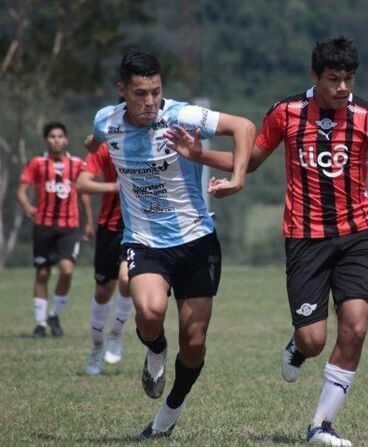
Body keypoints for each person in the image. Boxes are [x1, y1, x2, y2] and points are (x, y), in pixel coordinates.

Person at [166, 36, 368, 446]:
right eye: (334, 79)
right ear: (315, 76)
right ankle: (298, 345)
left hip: (356, 236)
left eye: (348, 79)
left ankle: (320, 427)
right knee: (314, 340)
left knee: (355, 326)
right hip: (305, 240)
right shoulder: (286, 113)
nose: (343, 88)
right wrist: (199, 155)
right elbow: (251, 162)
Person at [85, 48, 255, 439]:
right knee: (149, 309)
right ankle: (156, 350)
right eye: (140, 93)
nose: (149, 102)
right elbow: (95, 136)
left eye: (155, 92)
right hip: (144, 241)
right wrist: (92, 144)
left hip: (197, 241)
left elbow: (244, 127)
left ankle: (168, 415)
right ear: (121, 91)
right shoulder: (106, 120)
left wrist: (239, 178)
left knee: (194, 343)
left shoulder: (180, 115)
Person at [17, 122, 94, 338]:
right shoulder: (37, 163)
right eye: (52, 136)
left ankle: (55, 314)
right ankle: (40, 324)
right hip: (43, 225)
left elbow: (84, 192)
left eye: (60, 136)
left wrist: (89, 221)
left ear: (66, 139)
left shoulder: (77, 164)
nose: (56, 140)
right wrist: (27, 207)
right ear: (46, 140)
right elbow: (22, 191)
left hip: (69, 227)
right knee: (42, 273)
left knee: (67, 270)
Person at [77, 141, 133, 375]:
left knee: (128, 278)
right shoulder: (106, 146)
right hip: (109, 228)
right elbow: (82, 184)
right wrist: (114, 187)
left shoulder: (155, 140)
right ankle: (97, 347)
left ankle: (116, 335)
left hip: (139, 226)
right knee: (103, 291)